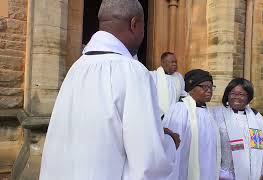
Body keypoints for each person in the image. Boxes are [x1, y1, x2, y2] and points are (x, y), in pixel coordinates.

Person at [39, 0, 179, 179]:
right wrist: (169, 143)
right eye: (144, 28)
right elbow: (147, 165)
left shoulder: (76, 68)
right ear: (134, 24)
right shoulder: (133, 71)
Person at [211, 78, 263, 180]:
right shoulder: (216, 115)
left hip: (254, 175)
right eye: (233, 93)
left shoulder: (256, 118)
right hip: (225, 175)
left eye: (242, 94)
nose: (237, 97)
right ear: (227, 95)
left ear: (248, 97)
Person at [163, 69, 221, 180]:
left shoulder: (209, 113)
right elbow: (173, 149)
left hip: (207, 170)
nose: (209, 91)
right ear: (191, 89)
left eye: (211, 87)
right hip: (184, 171)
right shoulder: (180, 109)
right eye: (204, 87)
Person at [150, 52, 187, 117]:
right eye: (172, 62)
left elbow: (182, 94)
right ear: (163, 63)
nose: (175, 64)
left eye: (176, 62)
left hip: (174, 116)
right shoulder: (153, 76)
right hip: (157, 115)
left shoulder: (178, 77)